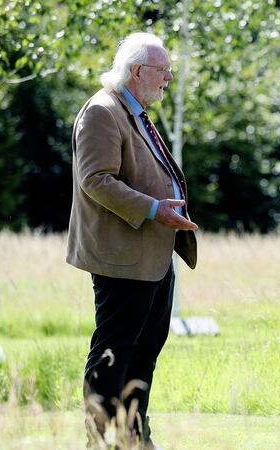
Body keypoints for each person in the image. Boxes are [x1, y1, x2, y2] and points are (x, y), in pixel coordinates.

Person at [66, 32, 198, 449]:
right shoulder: (103, 111)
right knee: (113, 354)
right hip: (121, 259)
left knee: (144, 354)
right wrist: (154, 209)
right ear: (139, 72)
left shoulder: (134, 109)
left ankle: (134, 438)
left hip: (152, 258)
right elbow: (95, 180)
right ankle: (98, 441)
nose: (168, 79)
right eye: (164, 71)